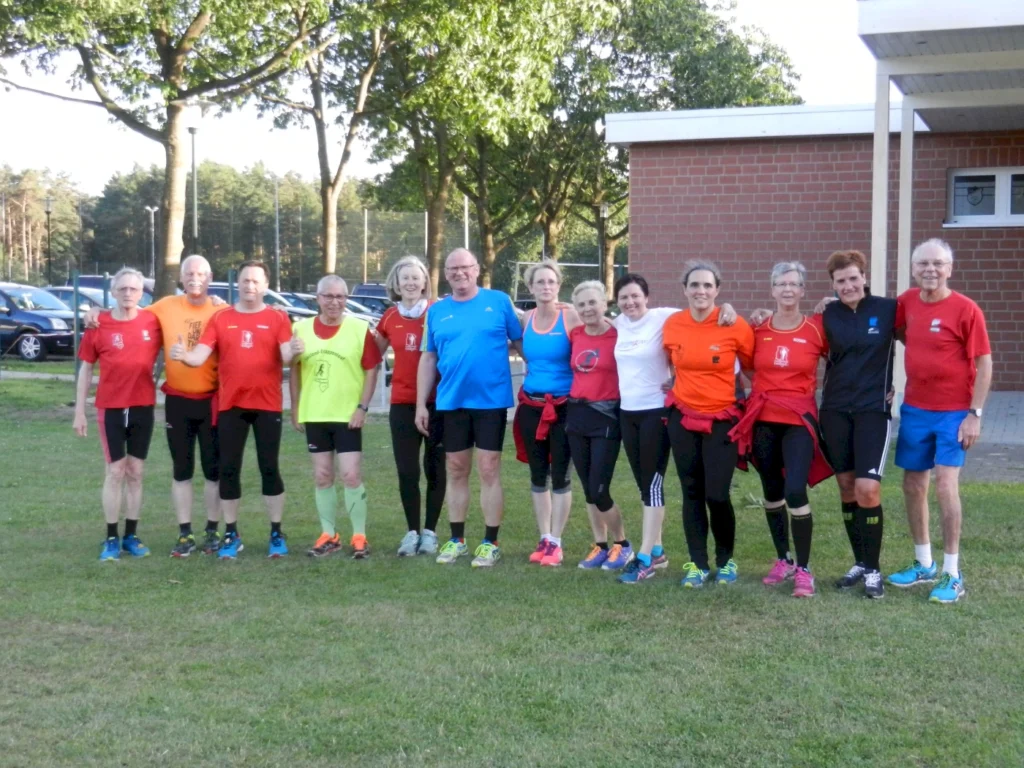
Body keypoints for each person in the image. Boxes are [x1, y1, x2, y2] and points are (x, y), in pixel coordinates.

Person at [82, 255, 227, 556]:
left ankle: (209, 531)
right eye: (189, 273)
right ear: (181, 278)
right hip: (171, 402)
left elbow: (244, 318)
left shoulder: (218, 309)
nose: (195, 278)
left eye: (201, 274)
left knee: (206, 471)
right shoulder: (162, 308)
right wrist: (95, 312)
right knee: (168, 471)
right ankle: (175, 535)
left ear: (210, 277)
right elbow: (125, 314)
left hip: (204, 401)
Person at [612, 274, 737, 583]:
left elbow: (703, 312)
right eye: (624, 297)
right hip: (627, 412)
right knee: (643, 485)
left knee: (653, 484)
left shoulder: (664, 317)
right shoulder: (618, 324)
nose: (630, 302)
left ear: (647, 297)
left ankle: (644, 557)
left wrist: (726, 308)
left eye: (635, 296)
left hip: (657, 411)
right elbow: (584, 317)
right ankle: (657, 549)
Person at [887, 238, 992, 604]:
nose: (930, 270)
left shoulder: (966, 309)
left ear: (949, 269)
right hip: (915, 409)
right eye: (923, 264)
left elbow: (984, 363)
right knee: (913, 485)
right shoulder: (906, 302)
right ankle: (924, 563)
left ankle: (952, 572)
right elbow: (894, 330)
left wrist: (974, 415)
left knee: (946, 485)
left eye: (938, 264)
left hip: (954, 413)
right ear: (913, 269)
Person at [170, 261, 296, 560]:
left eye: (255, 281)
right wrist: (184, 355)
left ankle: (276, 532)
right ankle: (231, 533)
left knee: (269, 467)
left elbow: (286, 356)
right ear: (237, 283)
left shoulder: (278, 317)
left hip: (267, 405)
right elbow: (199, 356)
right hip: (231, 406)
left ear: (265, 286)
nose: (249, 285)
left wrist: (295, 349)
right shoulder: (221, 317)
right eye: (245, 280)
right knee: (228, 469)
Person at [728, 262, 833, 598]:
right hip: (763, 418)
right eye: (781, 284)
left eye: (794, 284)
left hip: (798, 419)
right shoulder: (757, 328)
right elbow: (746, 366)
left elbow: (841, 357)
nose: (788, 289)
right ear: (772, 289)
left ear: (803, 290)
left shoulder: (817, 327)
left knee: (795, 491)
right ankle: (783, 559)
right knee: (772, 490)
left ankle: (804, 569)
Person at [416, 248, 523, 567]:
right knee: (456, 469)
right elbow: (428, 358)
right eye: (453, 268)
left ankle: (490, 542)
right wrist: (421, 404)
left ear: (477, 269)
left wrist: (544, 376)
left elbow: (521, 343)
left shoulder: (499, 302)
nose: (459, 273)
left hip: (491, 401)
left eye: (465, 267)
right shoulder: (437, 311)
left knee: (489, 468)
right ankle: (457, 539)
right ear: (446, 274)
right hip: (452, 401)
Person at [662, 261, 754, 588]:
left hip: (722, 419)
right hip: (682, 417)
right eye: (694, 285)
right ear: (685, 289)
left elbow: (753, 365)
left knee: (716, 493)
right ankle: (698, 564)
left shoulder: (734, 324)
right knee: (691, 491)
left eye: (707, 285)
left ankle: (726, 561)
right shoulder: (673, 323)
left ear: (717, 290)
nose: (700, 291)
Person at [818, 250, 897, 599]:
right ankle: (860, 563)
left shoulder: (889, 309)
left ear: (864, 277)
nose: (848, 285)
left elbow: (921, 343)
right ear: (833, 285)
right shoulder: (827, 314)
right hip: (834, 411)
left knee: (868, 489)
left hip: (872, 412)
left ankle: (874, 570)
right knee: (847, 487)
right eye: (841, 281)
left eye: (853, 278)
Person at [74, 267, 163, 561]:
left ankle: (131, 537)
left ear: (141, 293)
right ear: (113, 292)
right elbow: (86, 369)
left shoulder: (153, 321)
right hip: (110, 408)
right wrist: (79, 411)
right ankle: (111, 538)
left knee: (136, 472)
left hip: (142, 406)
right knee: (115, 472)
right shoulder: (98, 324)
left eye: (133, 289)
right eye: (122, 288)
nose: (128, 293)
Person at [290, 275, 382, 559]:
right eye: (328, 296)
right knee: (322, 476)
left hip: (347, 415)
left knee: (351, 475)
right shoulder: (300, 329)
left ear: (346, 299)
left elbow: (372, 369)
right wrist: (296, 408)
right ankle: (329, 535)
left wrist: (362, 407)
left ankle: (359, 536)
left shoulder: (358, 328)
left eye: (340, 296)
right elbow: (294, 369)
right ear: (318, 298)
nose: (334, 302)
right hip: (315, 414)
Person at [375, 256, 446, 556]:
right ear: (396, 283)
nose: (411, 283)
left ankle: (430, 532)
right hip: (402, 404)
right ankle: (412, 532)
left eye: (416, 277)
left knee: (435, 469)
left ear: (425, 282)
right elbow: (371, 355)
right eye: (405, 278)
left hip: (437, 403)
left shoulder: (438, 312)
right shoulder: (389, 318)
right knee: (407, 471)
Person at [514, 260, 579, 567]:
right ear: (530, 287)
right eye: (540, 282)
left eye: (551, 281)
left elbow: (602, 330)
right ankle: (544, 537)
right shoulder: (526, 318)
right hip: (531, 406)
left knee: (561, 475)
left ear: (558, 285)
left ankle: (557, 541)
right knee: (538, 474)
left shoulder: (570, 316)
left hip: (564, 407)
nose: (546, 286)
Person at [565, 281, 632, 572]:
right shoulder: (575, 334)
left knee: (599, 489)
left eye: (593, 302)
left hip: (606, 417)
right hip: (577, 415)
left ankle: (622, 544)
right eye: (581, 304)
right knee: (588, 490)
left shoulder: (619, 334)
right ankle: (600, 546)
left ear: (605, 304)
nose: (587, 309)